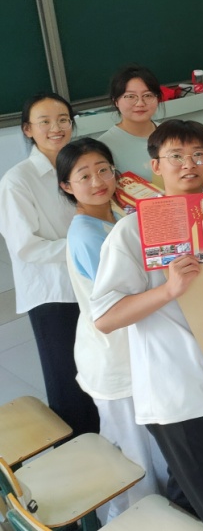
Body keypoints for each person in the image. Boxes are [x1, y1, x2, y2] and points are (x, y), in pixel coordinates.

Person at [91, 120, 203, 531]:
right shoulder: (132, 230)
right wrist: (169, 290)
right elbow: (106, 317)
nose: (189, 164)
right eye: (176, 156)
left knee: (191, 495)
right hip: (181, 393)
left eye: (199, 155)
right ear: (155, 166)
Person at [58, 138, 165, 521]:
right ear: (67, 186)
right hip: (114, 361)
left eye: (104, 169)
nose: (98, 181)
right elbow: (122, 302)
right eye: (84, 175)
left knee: (150, 453)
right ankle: (128, 522)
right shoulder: (88, 234)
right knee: (133, 462)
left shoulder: (115, 214)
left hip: (127, 351)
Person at [0, 93, 99, 437]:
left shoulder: (77, 165)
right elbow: (26, 248)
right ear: (28, 129)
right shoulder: (17, 180)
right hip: (52, 292)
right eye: (44, 122)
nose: (56, 128)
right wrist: (84, 247)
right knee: (66, 380)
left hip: (88, 283)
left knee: (93, 368)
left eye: (63, 120)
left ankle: (101, 445)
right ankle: (73, 450)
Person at [97, 64, 162, 182]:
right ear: (116, 101)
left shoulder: (172, 134)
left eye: (148, 95)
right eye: (131, 96)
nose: (140, 103)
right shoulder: (103, 146)